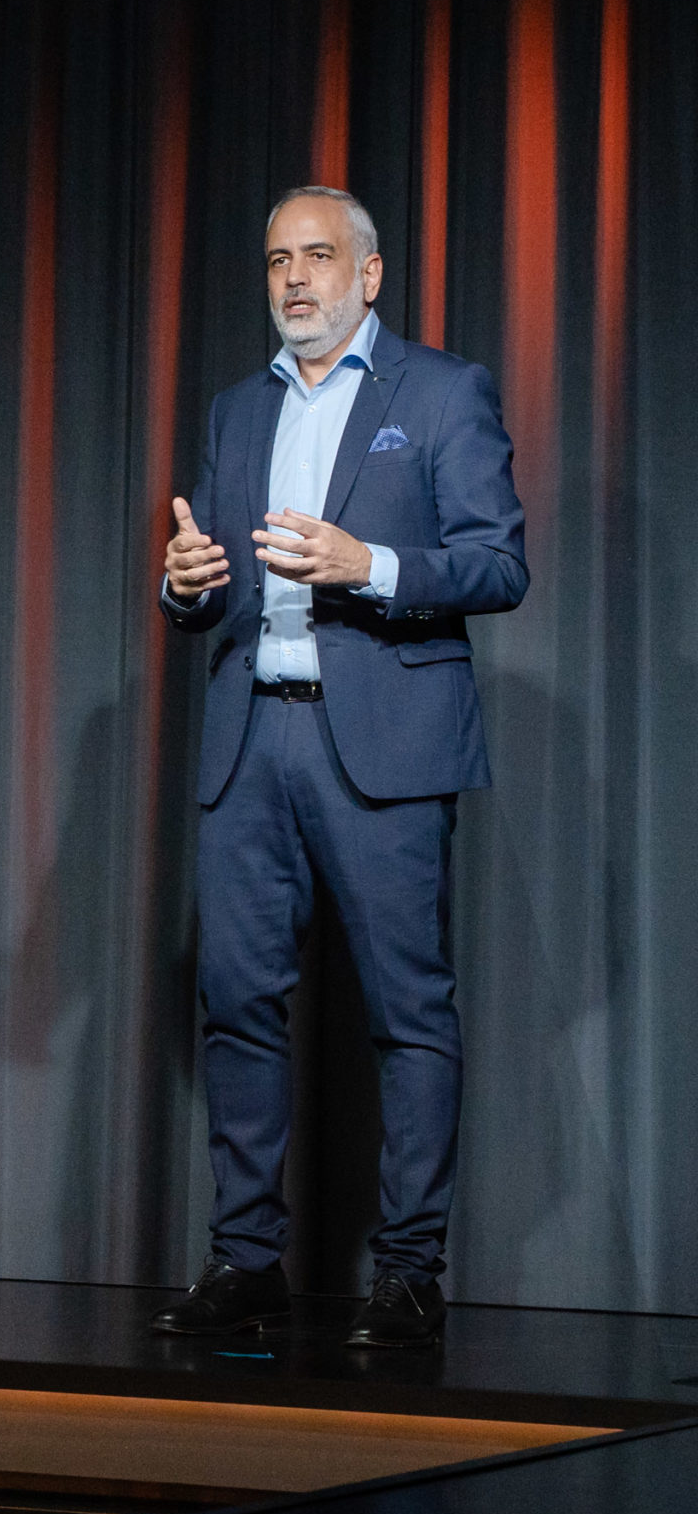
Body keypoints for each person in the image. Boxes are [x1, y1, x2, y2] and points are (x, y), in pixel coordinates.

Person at [148, 186, 527, 1348]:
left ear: (369, 276)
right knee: (236, 1006)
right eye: (277, 261)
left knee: (408, 1012)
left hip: (382, 742)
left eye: (317, 257)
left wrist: (371, 564)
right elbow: (206, 592)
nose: (295, 279)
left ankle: (408, 1273)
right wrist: (182, 585)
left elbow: (498, 564)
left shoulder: (441, 392)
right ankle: (245, 1260)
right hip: (251, 738)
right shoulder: (236, 409)